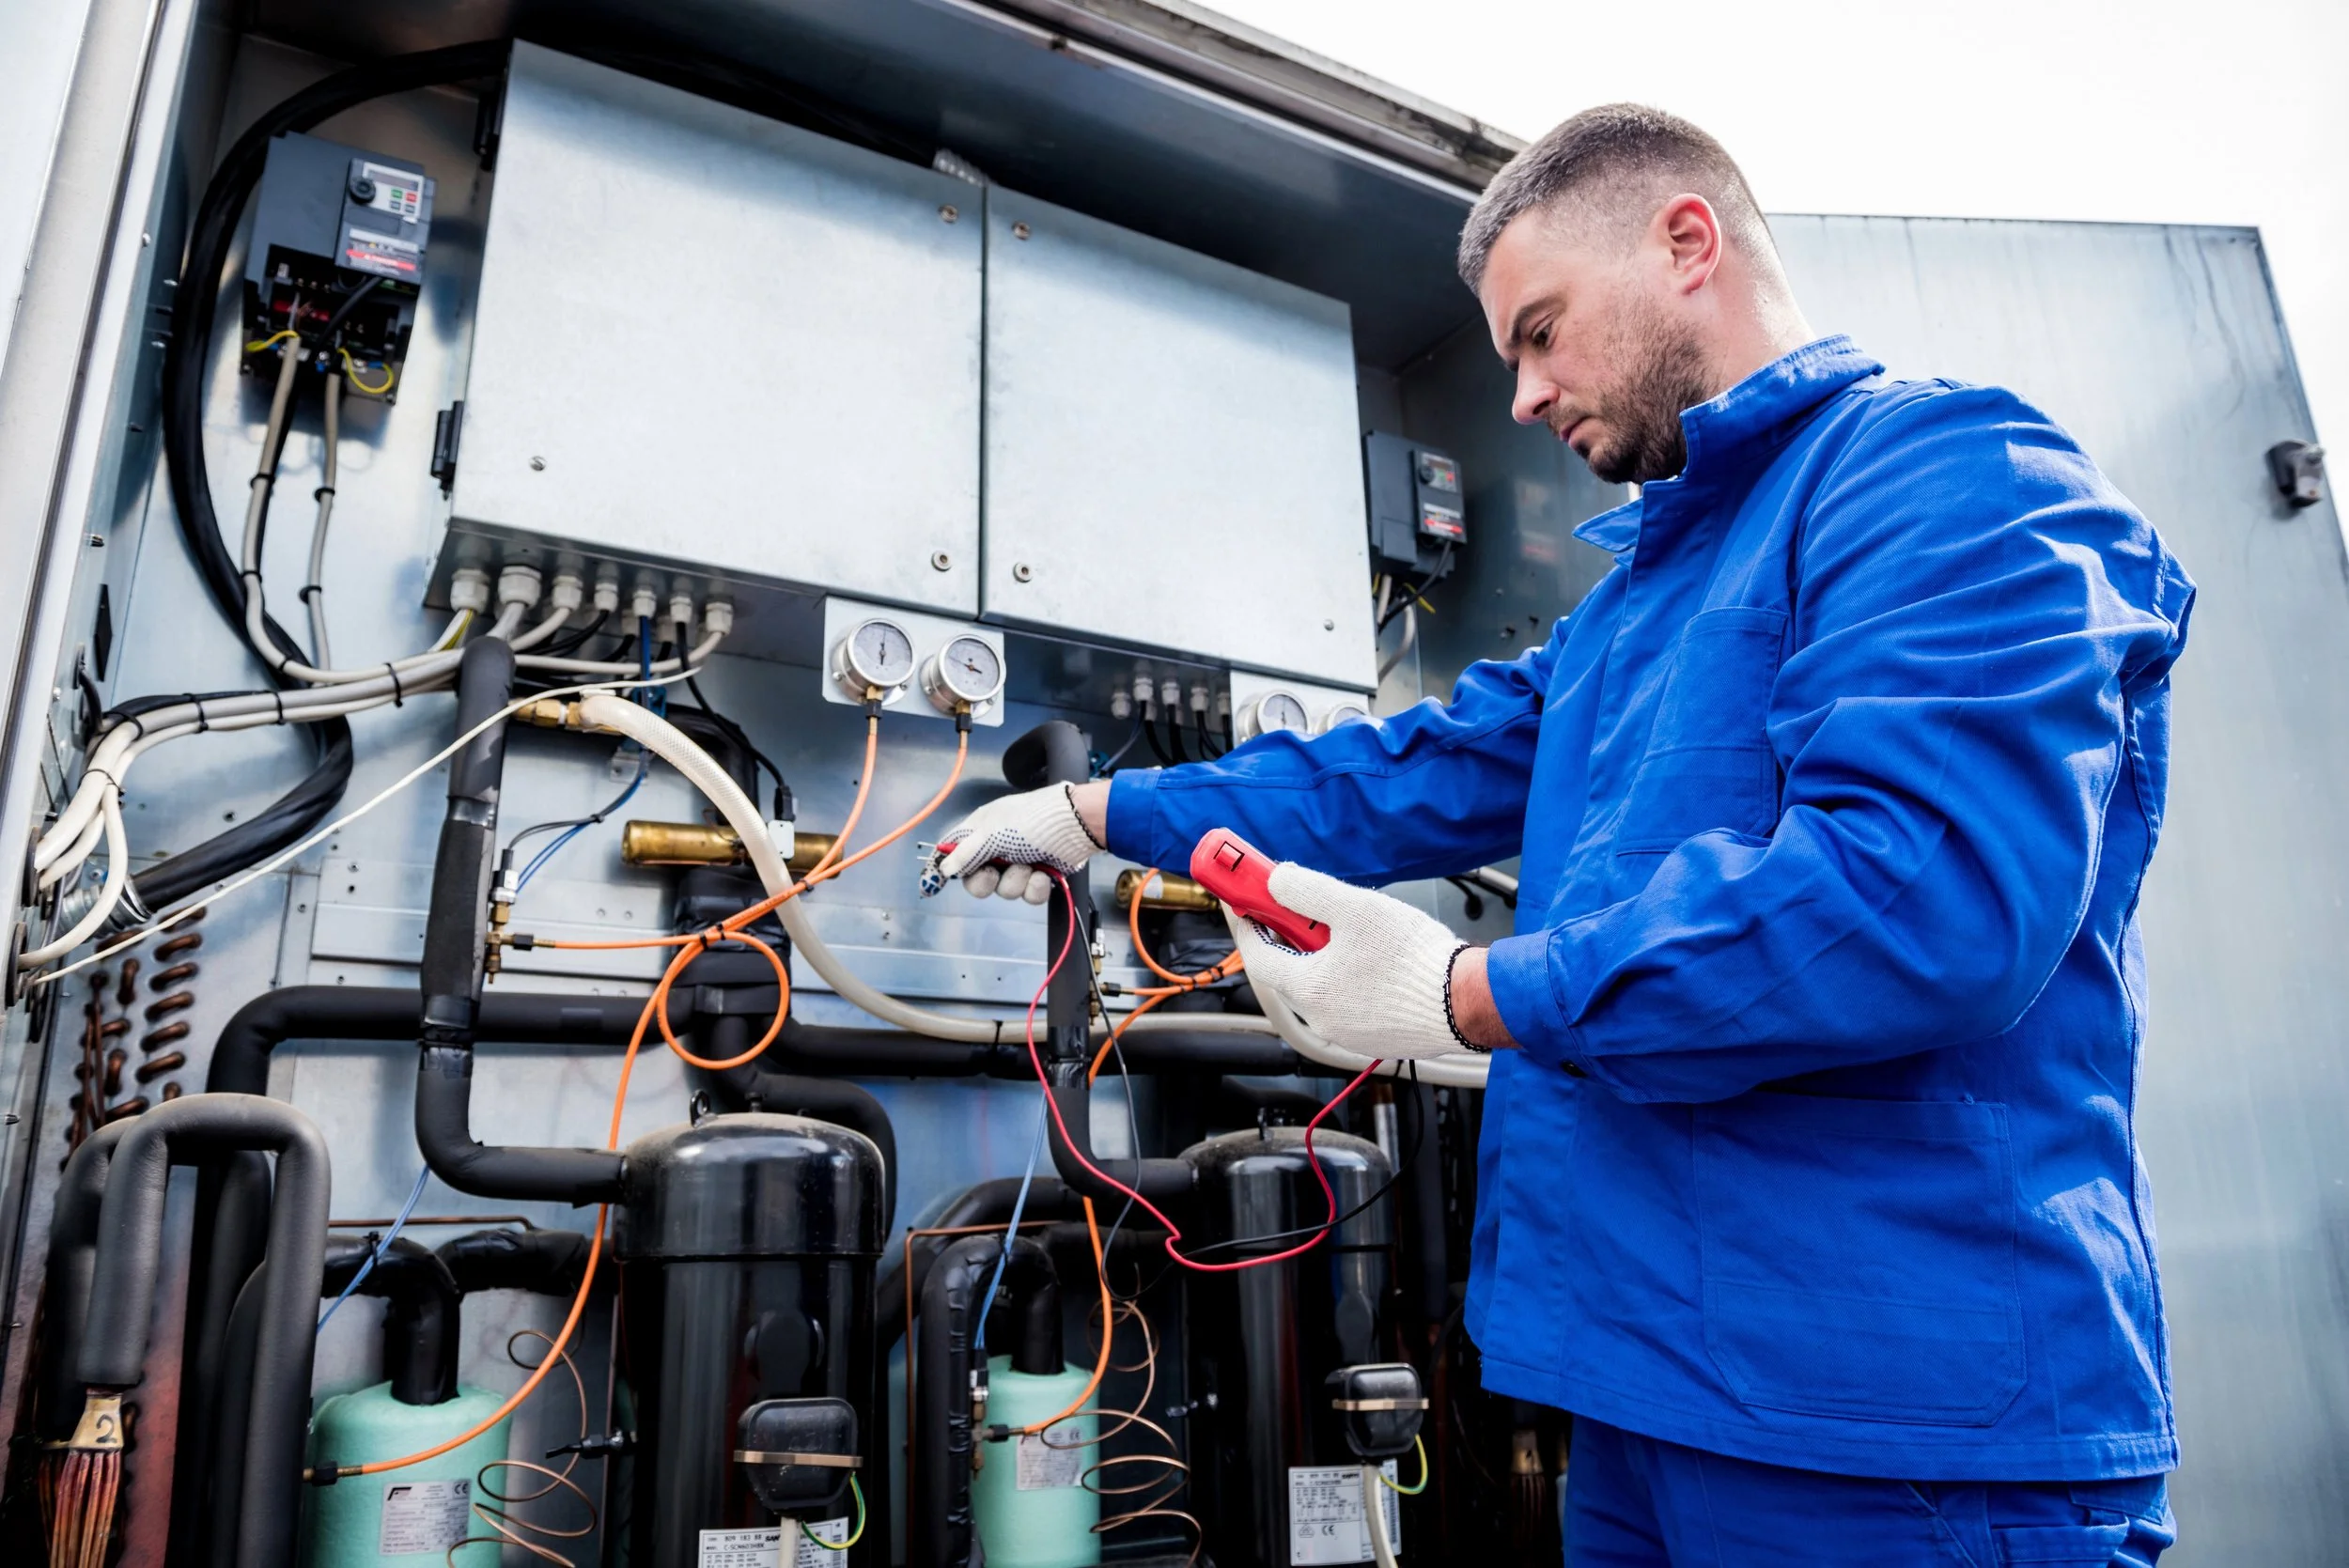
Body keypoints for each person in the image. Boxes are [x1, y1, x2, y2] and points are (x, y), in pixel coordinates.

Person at [926, 104, 2192, 1566]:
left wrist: (1464, 997)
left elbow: (1916, 897)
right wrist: (1104, 813)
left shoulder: (1949, 475)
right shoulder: (1633, 612)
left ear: (1685, 243)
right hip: (1646, 1399)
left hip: (1899, 1427)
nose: (1519, 395)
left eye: (1538, 332)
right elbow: (1407, 770)